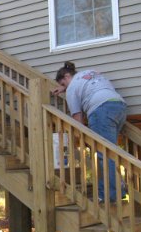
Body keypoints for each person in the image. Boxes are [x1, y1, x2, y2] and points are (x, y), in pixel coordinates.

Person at [52, 61, 127, 202]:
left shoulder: (71, 89)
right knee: (111, 152)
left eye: (62, 84)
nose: (63, 88)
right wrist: (64, 88)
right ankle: (119, 189)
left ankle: (109, 194)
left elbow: (77, 118)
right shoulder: (89, 72)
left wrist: (80, 139)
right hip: (119, 107)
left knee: (104, 155)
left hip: (101, 110)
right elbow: (87, 86)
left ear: (67, 76)